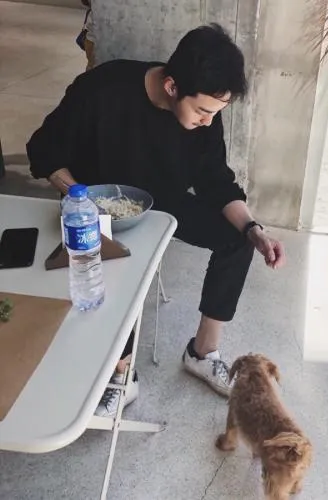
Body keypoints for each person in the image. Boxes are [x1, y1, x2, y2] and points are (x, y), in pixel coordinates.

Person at [27, 24, 286, 417]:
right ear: (171, 87)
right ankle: (121, 373)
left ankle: (202, 352)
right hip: (100, 205)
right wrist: (81, 197)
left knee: (237, 239)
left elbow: (216, 181)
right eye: (202, 111)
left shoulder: (205, 111)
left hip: (163, 201)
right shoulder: (101, 89)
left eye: (215, 113)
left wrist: (254, 230)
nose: (207, 121)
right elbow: (43, 149)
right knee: (117, 263)